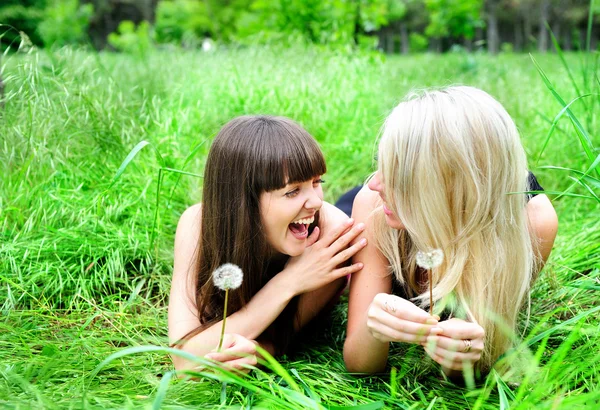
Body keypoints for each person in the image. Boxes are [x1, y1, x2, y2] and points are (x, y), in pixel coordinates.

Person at [343, 86, 558, 378]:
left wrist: (465, 353)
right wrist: (373, 328)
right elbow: (359, 364)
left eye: (398, 175)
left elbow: (481, 355)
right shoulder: (374, 206)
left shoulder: (531, 223)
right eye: (384, 166)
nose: (375, 184)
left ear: (446, 185)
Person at [168, 115, 367, 373]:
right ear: (242, 201)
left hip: (338, 213)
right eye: (292, 191)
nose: (316, 200)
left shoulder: (331, 238)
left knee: (354, 200)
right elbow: (183, 359)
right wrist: (290, 281)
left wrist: (254, 355)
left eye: (317, 183)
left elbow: (280, 339)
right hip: (293, 225)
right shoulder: (197, 224)